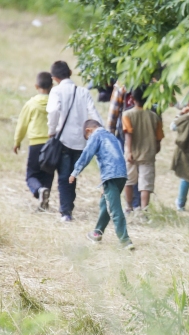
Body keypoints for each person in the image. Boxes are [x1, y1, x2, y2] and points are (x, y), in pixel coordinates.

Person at [46, 60, 103, 221]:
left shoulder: (56, 92)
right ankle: (68, 208)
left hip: (63, 139)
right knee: (73, 174)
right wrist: (102, 132)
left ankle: (66, 212)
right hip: (81, 141)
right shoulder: (84, 92)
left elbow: (53, 111)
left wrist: (52, 131)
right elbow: (94, 113)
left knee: (64, 176)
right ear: (70, 72)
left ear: (54, 77)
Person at [69, 120, 133, 250]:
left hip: (110, 175)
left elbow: (87, 153)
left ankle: (125, 240)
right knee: (106, 203)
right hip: (122, 174)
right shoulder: (111, 136)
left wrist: (75, 172)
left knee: (115, 209)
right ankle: (97, 233)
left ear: (88, 130)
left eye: (87, 138)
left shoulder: (96, 136)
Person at [14, 71, 53, 210]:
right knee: (48, 173)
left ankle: (39, 191)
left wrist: (17, 141)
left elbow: (22, 124)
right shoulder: (55, 103)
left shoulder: (31, 104)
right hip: (51, 144)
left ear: (36, 86)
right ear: (52, 86)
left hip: (36, 144)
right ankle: (44, 201)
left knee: (31, 175)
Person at [121, 86, 163, 211]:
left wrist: (128, 150)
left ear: (132, 99)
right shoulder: (154, 116)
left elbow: (128, 133)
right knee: (145, 184)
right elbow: (159, 137)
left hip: (132, 153)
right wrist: (156, 148)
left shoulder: (127, 114)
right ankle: (144, 209)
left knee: (128, 181)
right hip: (148, 153)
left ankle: (129, 207)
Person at [106, 81, 140, 210]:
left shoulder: (122, 84)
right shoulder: (149, 81)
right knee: (139, 168)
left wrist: (110, 135)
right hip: (143, 133)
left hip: (123, 133)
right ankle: (137, 204)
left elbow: (113, 112)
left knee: (126, 169)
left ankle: (130, 204)